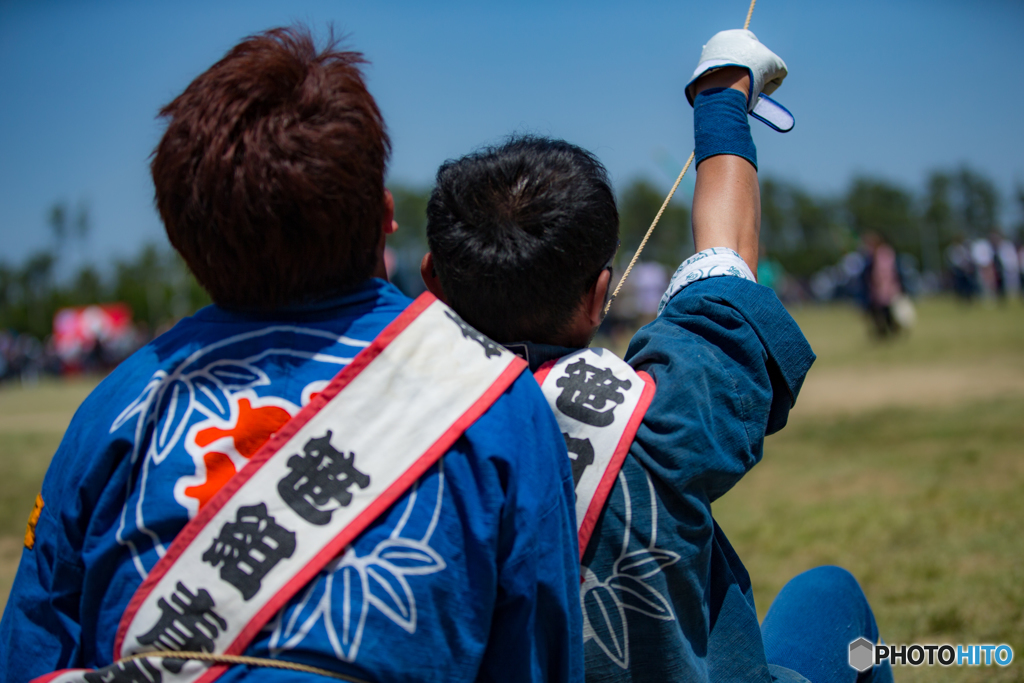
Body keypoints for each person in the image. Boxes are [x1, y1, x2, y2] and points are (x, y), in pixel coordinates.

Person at [0, 26, 583, 683]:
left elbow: (33, 648)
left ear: (183, 238)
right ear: (385, 213)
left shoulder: (116, 408)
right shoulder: (496, 401)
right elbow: (537, 656)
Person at [422, 30, 892, 683]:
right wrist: (721, 95)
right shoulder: (659, 416)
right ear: (599, 296)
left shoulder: (386, 432)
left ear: (431, 277)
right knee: (830, 596)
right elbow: (726, 259)